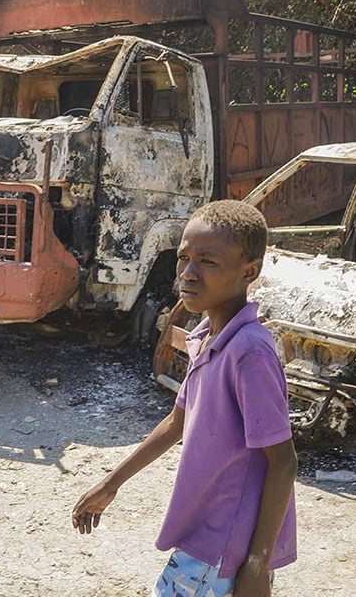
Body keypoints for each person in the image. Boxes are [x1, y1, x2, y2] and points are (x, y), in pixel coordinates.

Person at [73, 200, 297, 597]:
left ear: (249, 271)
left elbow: (282, 461)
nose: (188, 274)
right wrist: (112, 483)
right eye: (183, 258)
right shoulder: (207, 337)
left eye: (207, 262)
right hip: (204, 537)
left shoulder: (249, 353)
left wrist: (258, 564)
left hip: (221, 549)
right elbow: (178, 421)